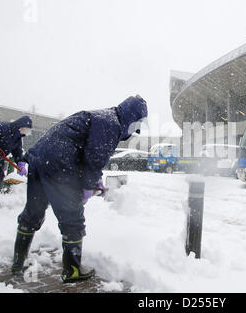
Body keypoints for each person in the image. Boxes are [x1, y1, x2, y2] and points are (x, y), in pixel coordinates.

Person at [12, 95, 148, 283]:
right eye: (137, 124)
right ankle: (72, 270)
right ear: (132, 117)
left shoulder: (102, 117)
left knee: (33, 212)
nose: (137, 130)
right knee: (72, 217)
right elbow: (93, 159)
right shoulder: (111, 124)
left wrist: (95, 182)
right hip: (59, 163)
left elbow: (87, 154)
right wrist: (88, 186)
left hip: (40, 158)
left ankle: (18, 261)